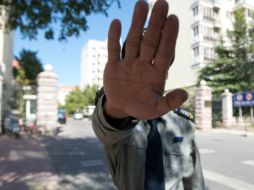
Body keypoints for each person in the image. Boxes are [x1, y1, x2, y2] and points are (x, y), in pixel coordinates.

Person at [92, 0, 205, 189]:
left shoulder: (183, 124)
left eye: (155, 56)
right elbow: (105, 131)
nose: (146, 63)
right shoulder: (119, 122)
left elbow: (196, 182)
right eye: (137, 56)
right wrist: (118, 110)